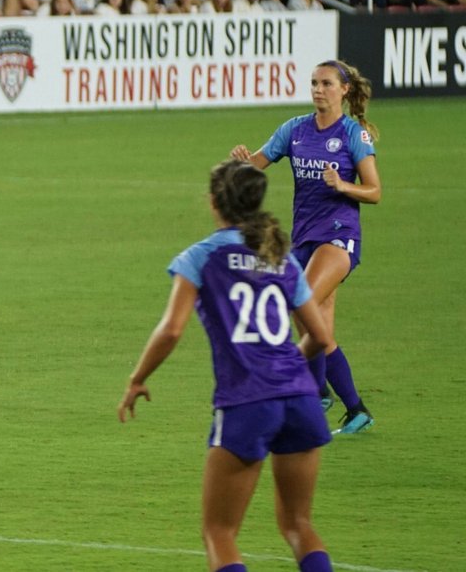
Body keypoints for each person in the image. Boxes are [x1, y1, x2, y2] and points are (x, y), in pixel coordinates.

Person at [117, 161, 336, 572]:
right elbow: (321, 338)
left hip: (248, 401)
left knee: (220, 532)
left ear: (214, 202)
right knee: (298, 524)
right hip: (301, 399)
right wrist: (286, 364)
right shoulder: (281, 258)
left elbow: (171, 329)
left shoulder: (201, 257)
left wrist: (137, 378)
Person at [229, 60, 381, 437]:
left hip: (339, 237)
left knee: (303, 304)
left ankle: (306, 389)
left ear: (343, 90)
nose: (317, 89)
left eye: (326, 83)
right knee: (317, 328)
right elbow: (256, 164)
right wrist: (242, 162)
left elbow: (375, 191)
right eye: (314, 83)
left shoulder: (353, 134)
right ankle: (353, 408)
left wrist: (343, 185)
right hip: (305, 240)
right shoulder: (294, 130)